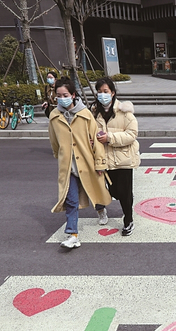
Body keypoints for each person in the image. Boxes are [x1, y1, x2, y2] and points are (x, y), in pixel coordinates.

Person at [48, 77, 111, 249]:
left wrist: (99, 163)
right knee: (71, 200)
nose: (62, 98)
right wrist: (59, 155)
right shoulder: (54, 116)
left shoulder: (85, 114)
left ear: (73, 94)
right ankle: (73, 235)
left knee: (94, 191)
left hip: (87, 162)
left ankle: (100, 209)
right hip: (68, 166)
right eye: (59, 95)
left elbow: (96, 140)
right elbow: (54, 141)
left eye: (65, 94)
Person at [91, 77, 140, 236]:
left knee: (124, 193)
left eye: (105, 91)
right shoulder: (94, 112)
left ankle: (128, 220)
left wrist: (110, 138)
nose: (102, 95)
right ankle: (105, 211)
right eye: (99, 92)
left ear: (112, 93)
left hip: (123, 159)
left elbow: (132, 134)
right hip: (104, 160)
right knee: (112, 191)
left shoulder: (124, 111)